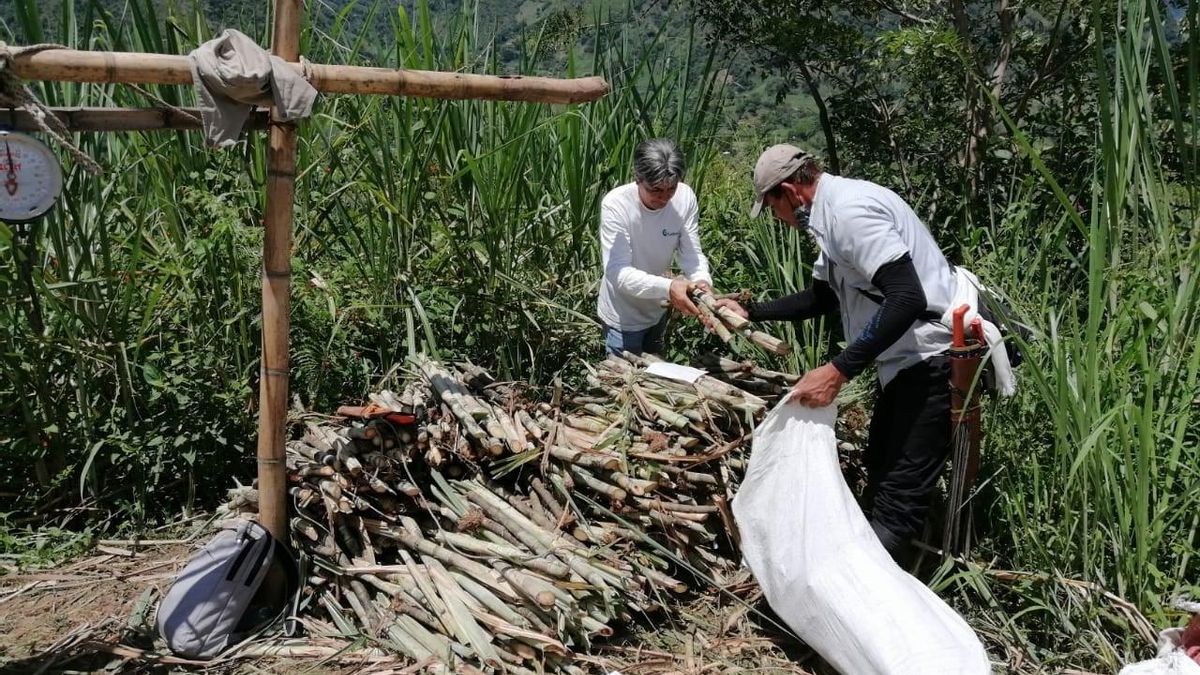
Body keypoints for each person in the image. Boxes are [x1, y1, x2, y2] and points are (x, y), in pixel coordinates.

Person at [720, 144, 959, 563]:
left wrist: (838, 371)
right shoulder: (829, 218)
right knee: (880, 470)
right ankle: (874, 580)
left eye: (774, 208)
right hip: (903, 363)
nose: (780, 221)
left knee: (897, 500)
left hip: (930, 360)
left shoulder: (849, 213)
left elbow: (906, 298)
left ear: (791, 193)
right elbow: (822, 297)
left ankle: (876, 607)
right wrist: (752, 310)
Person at [597, 138, 712, 356]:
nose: (664, 197)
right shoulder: (616, 205)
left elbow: (691, 252)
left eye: (671, 189)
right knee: (624, 382)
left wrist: (702, 281)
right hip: (623, 316)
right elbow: (617, 272)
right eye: (656, 190)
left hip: (657, 309)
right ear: (638, 179)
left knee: (656, 371)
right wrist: (669, 287)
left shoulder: (684, 197)